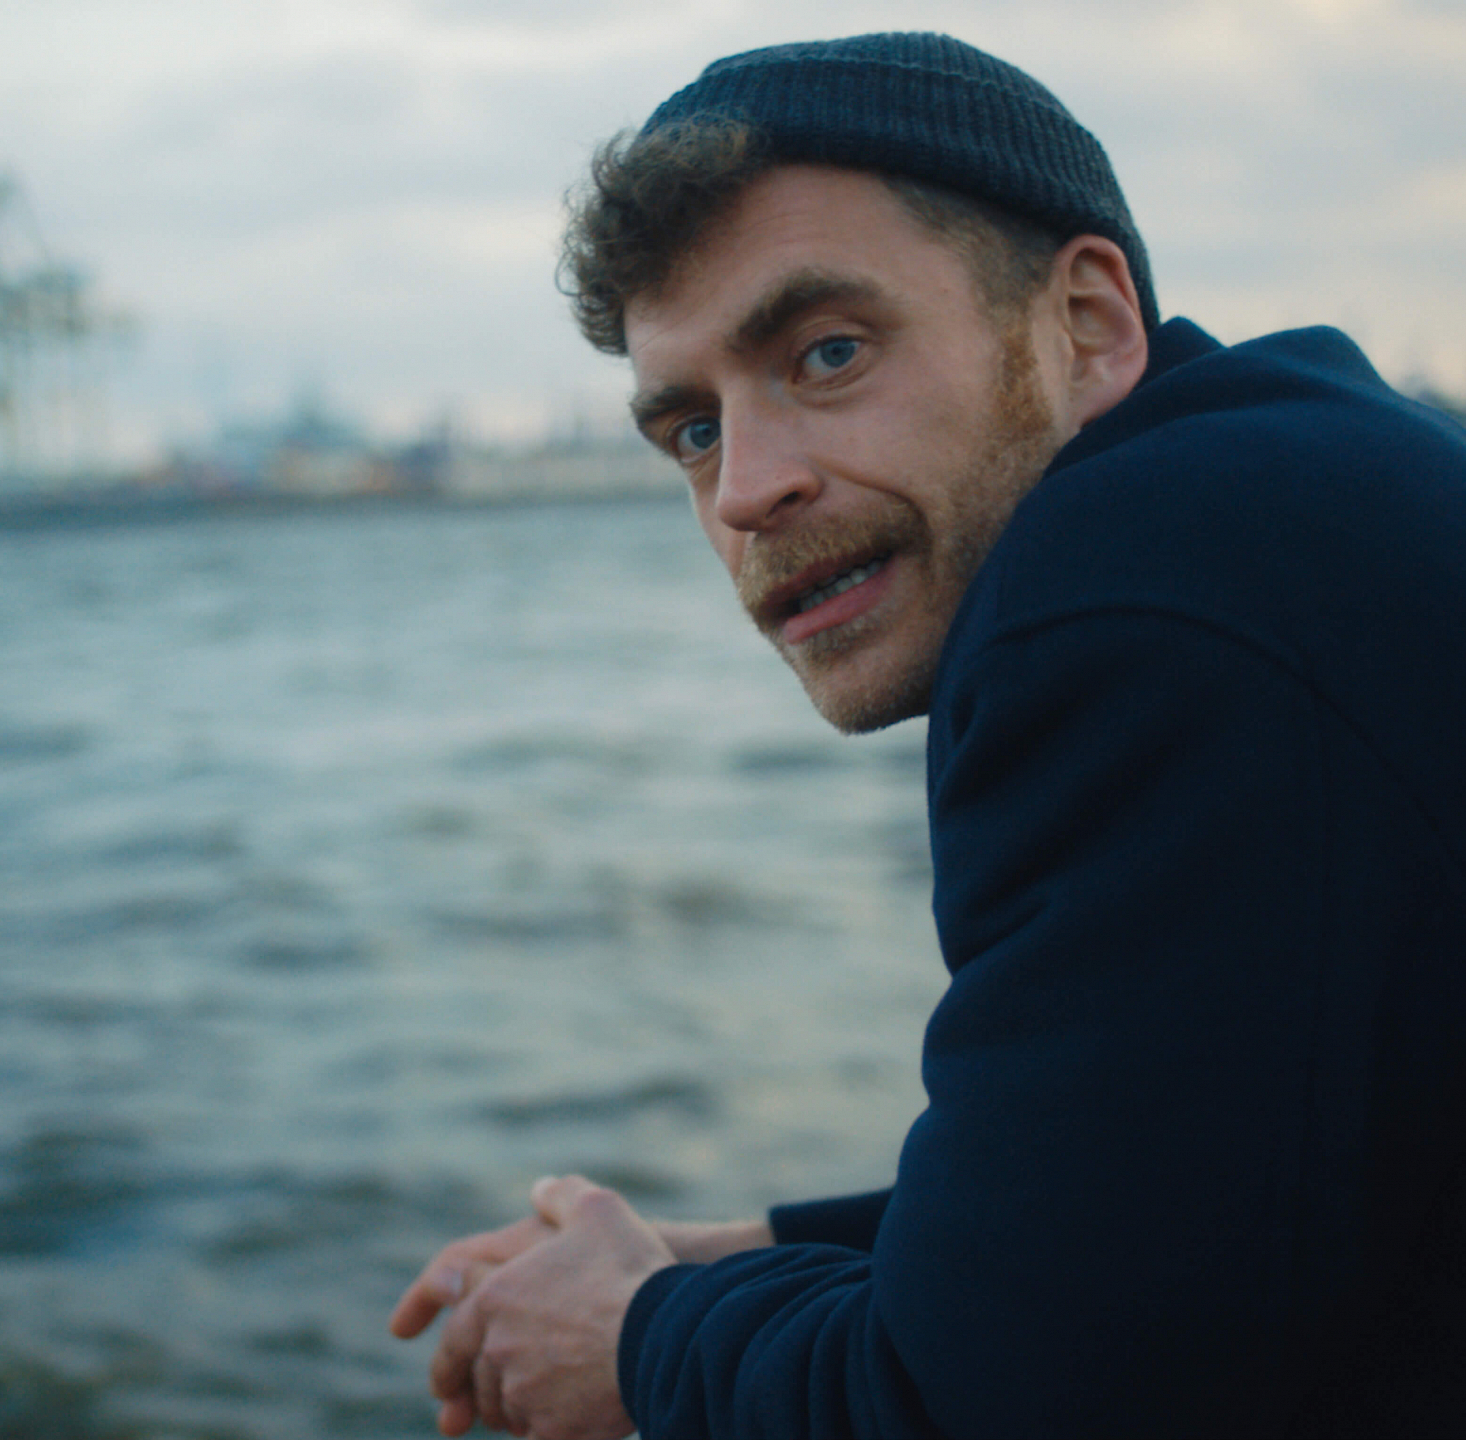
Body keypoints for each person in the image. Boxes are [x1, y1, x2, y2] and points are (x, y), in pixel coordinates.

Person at [390, 31, 1466, 1439]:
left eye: (828, 353)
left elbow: (985, 1408)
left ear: (1087, 325)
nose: (745, 490)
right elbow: (1200, 1185)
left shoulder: (1123, 598)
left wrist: (636, 1336)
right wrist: (742, 1256)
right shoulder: (1287, 493)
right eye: (694, 431)